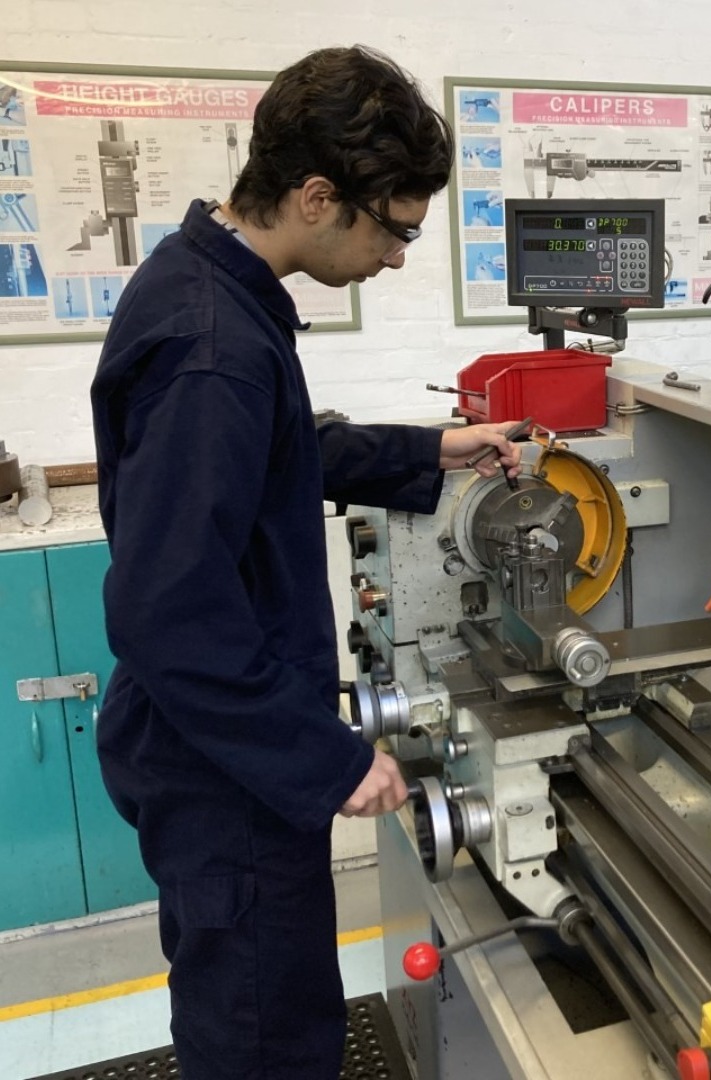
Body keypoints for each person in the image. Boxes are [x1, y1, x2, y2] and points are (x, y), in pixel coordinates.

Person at [89, 45, 521, 1080]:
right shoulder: (214, 347)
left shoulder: (211, 287)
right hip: (227, 769)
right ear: (320, 196)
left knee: (261, 1015)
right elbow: (165, 616)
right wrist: (326, 757)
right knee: (263, 1040)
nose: (401, 257)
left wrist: (424, 452)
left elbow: (281, 450)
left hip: (221, 748)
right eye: (397, 230)